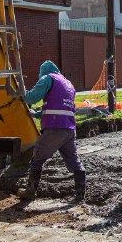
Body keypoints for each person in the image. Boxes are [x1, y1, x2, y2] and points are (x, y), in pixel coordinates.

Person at [22, 60, 86, 203]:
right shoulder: (68, 83)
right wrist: (37, 114)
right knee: (74, 161)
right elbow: (60, 107)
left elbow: (32, 97)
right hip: (69, 129)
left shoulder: (48, 78)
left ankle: (30, 192)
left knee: (37, 159)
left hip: (54, 128)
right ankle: (80, 195)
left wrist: (21, 93)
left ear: (42, 72)